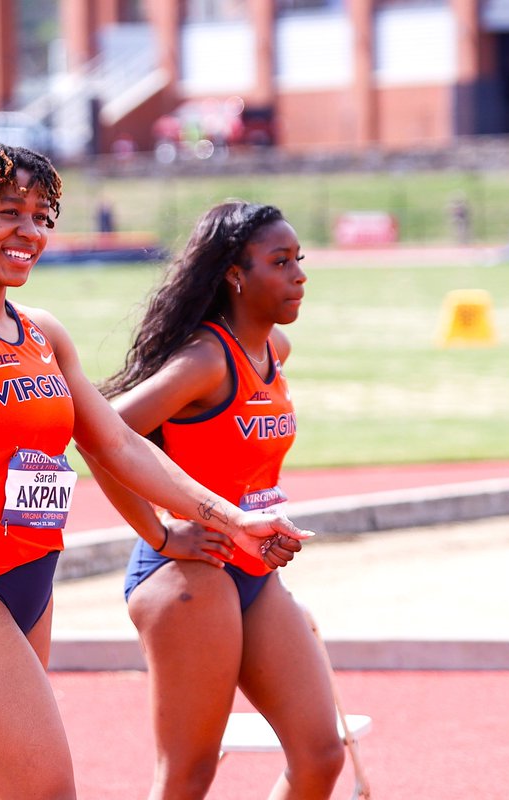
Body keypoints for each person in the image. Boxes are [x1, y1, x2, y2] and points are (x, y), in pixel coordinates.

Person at [0, 144, 312, 800]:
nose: (30, 232)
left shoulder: (42, 332)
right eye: (9, 213)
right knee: (46, 792)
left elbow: (119, 446)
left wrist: (231, 520)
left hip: (31, 586)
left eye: (43, 217)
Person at [85, 201, 345, 799]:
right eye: (280, 262)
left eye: (298, 260)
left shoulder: (273, 350)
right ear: (235, 273)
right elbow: (103, 436)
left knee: (320, 755)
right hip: (190, 575)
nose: (299, 275)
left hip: (252, 571)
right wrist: (158, 533)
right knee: (188, 777)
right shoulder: (206, 360)